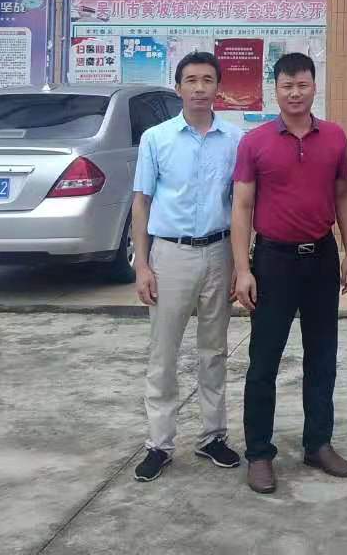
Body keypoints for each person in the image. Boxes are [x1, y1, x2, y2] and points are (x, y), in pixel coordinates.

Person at [230, 52, 347, 495]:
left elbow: (344, 195)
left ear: (314, 86)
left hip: (321, 256)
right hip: (273, 261)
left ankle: (318, 443)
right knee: (264, 360)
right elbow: (242, 205)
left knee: (322, 356)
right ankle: (259, 453)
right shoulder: (256, 142)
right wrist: (242, 269)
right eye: (287, 86)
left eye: (302, 85)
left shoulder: (335, 137)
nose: (295, 93)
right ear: (276, 90)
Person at [131, 51, 245, 483]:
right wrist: (143, 266)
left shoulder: (235, 140)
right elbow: (142, 203)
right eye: (191, 80)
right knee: (164, 352)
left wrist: (241, 263)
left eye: (207, 80)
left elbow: (241, 205)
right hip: (170, 254)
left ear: (219, 88)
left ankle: (213, 436)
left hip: (219, 252)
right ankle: (159, 444)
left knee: (214, 351)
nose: (199, 88)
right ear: (178, 87)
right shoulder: (156, 139)